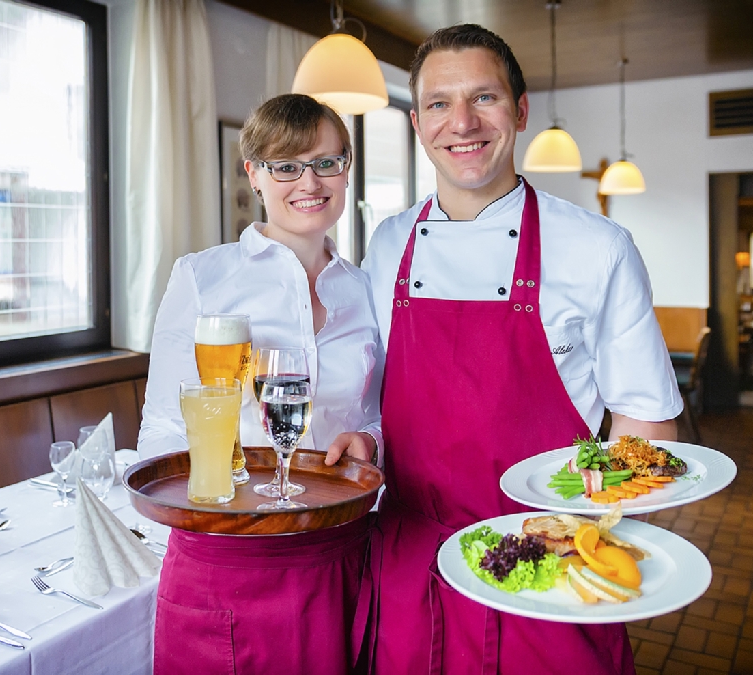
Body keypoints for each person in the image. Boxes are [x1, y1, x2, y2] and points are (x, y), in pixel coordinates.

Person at [352, 24, 683, 674]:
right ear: (417, 122)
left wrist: (587, 537)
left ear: (521, 110)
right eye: (440, 104)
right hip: (409, 572)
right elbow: (371, 398)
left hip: (545, 573)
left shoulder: (598, 248)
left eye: (485, 97)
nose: (463, 122)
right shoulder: (387, 244)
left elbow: (645, 425)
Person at [139, 93, 382, 675]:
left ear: (346, 170)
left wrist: (371, 441)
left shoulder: (367, 289)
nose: (310, 181)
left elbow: (376, 414)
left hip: (339, 546)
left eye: (328, 162)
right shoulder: (202, 275)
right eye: (287, 165)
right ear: (254, 173)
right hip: (226, 553)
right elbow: (163, 426)